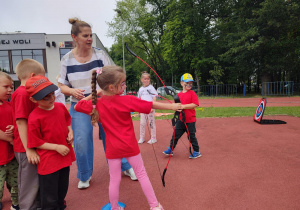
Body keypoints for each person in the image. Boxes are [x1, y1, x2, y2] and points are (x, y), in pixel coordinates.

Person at [75, 66, 184, 210]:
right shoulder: (127, 100)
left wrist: (97, 93)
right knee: (142, 174)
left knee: (114, 180)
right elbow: (150, 104)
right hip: (130, 147)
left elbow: (78, 106)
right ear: (112, 87)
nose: (125, 86)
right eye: (122, 84)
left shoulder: (98, 104)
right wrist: (172, 107)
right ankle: (155, 206)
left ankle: (114, 207)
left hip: (113, 150)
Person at [58, 17, 136, 189]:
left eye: (90, 35)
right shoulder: (66, 60)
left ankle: (125, 166)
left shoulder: (100, 54)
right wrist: (71, 91)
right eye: (85, 36)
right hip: (79, 105)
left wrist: (104, 91)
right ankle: (84, 175)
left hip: (104, 102)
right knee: (81, 140)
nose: (89, 39)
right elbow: (61, 85)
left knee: (113, 135)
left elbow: (113, 75)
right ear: (74, 38)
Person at [25, 75, 75, 210]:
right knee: (49, 194)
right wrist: (56, 147)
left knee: (62, 187)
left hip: (64, 155)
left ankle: (60, 204)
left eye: (52, 94)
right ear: (33, 99)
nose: (51, 98)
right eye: (45, 97)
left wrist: (70, 132)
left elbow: (67, 121)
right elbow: (35, 141)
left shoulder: (60, 107)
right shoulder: (34, 117)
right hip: (49, 160)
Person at [10, 59, 46, 209]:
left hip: (31, 145)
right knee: (28, 182)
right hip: (25, 148)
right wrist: (29, 149)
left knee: (35, 180)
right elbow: (21, 122)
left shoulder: (27, 93)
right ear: (32, 76)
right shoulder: (23, 93)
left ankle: (36, 205)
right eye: (42, 78)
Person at [163, 73, 201, 159]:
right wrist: (175, 108)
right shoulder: (178, 95)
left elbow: (195, 104)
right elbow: (177, 106)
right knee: (175, 135)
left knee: (191, 136)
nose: (189, 84)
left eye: (191, 83)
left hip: (190, 120)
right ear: (181, 83)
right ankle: (171, 149)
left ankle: (197, 151)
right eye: (187, 82)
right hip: (180, 120)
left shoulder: (192, 93)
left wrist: (183, 106)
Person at [0, 72, 19, 210]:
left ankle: (16, 202)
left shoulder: (10, 105)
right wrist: (10, 139)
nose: (10, 90)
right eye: (5, 86)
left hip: (11, 155)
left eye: (11, 87)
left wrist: (14, 127)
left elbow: (16, 121)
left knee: (16, 181)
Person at [137, 71, 158, 144]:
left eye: (148, 79)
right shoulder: (140, 89)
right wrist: (139, 108)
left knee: (151, 123)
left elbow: (154, 97)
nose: (146, 80)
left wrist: (153, 106)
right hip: (143, 109)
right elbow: (139, 98)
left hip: (150, 108)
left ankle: (153, 138)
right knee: (142, 123)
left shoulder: (151, 88)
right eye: (145, 79)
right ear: (142, 80)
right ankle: (142, 137)